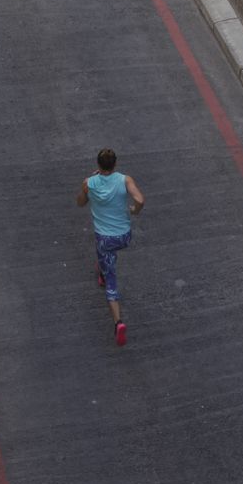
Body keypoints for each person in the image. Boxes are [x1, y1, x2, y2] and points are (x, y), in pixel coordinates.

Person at [76, 148, 144, 346]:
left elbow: (79, 202)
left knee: (110, 278)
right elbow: (139, 199)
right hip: (124, 236)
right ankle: (103, 271)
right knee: (106, 258)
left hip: (105, 239)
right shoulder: (125, 180)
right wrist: (134, 210)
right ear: (115, 164)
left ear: (98, 165)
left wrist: (87, 185)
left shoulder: (90, 183)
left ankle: (118, 323)